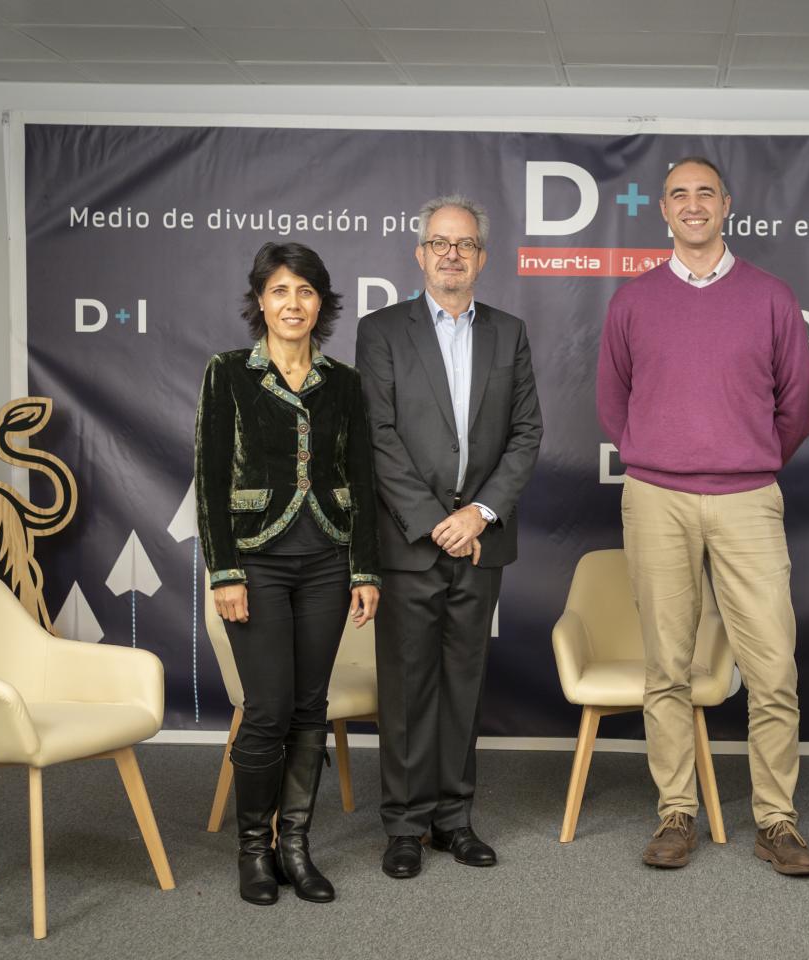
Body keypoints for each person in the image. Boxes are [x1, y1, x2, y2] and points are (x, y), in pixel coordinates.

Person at [596, 156, 809, 876]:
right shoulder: (633, 301)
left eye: (705, 193)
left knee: (774, 668)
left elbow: (799, 407)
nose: (692, 205)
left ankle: (776, 823)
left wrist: (743, 458)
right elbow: (612, 401)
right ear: (662, 209)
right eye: (678, 195)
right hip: (656, 497)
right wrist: (658, 455)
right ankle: (676, 813)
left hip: (748, 499)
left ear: (727, 204)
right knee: (666, 665)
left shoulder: (771, 297)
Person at [356, 195, 542, 879]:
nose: (452, 254)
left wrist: (479, 515)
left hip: (482, 541)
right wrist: (435, 521)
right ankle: (404, 824)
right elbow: (377, 437)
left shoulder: (509, 332)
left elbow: (526, 434)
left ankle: (453, 819)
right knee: (407, 687)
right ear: (421, 254)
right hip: (411, 541)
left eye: (464, 244)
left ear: (482, 257)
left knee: (464, 682)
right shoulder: (382, 333)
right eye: (439, 242)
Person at [195, 241, 381, 906]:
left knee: (310, 710)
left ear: (321, 304)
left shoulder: (346, 384)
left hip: (328, 561)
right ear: (261, 302)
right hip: (256, 562)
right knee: (268, 710)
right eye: (280, 291)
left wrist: (365, 571)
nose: (292, 304)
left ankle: (295, 846)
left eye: (305, 292)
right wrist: (224, 572)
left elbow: (360, 480)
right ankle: (254, 851)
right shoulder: (228, 375)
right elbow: (210, 482)